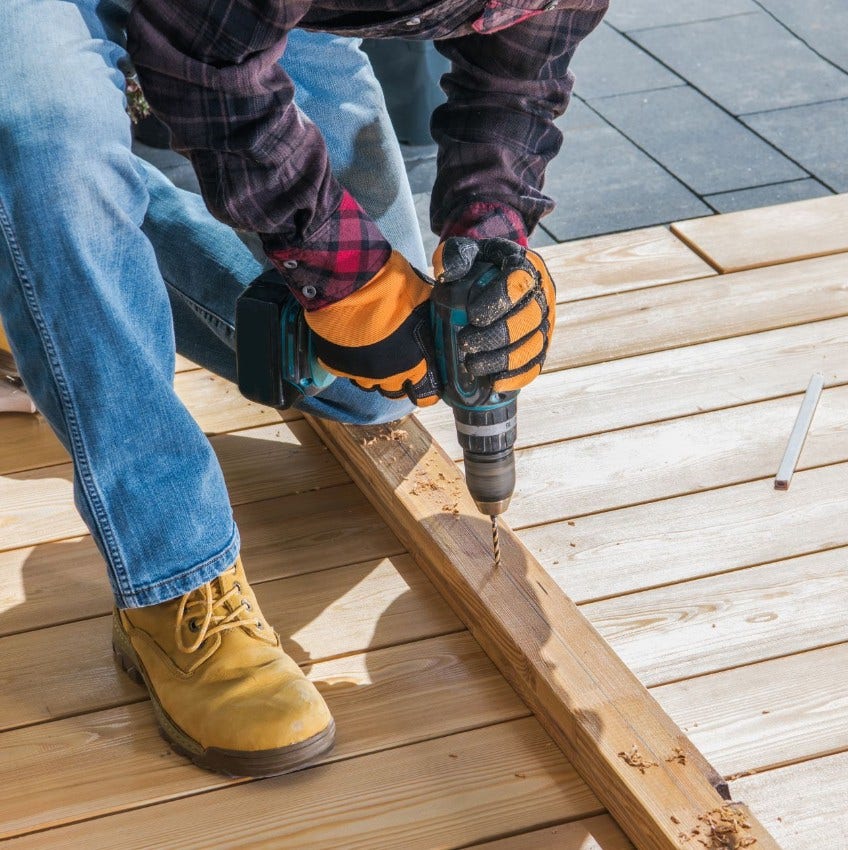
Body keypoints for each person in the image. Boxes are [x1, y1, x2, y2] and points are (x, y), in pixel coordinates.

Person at [0, 0, 603, 777]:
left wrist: (491, 245)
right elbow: (203, 68)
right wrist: (346, 279)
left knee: (374, 385)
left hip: (239, 19)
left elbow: (519, 82)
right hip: (189, 31)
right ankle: (174, 575)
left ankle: (42, 246)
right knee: (50, 145)